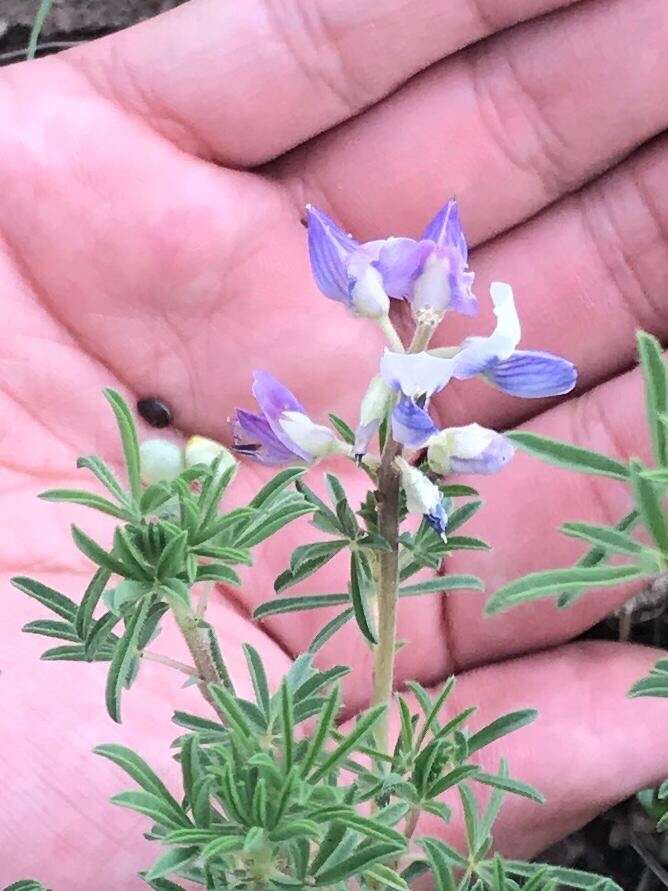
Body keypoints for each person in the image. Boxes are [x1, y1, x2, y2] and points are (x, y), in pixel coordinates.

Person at [1, 0, 667, 885]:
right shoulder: (389, 353)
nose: (439, 263)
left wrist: (425, 438)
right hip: (379, 431)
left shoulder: (427, 360)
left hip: (408, 432)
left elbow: (435, 407)